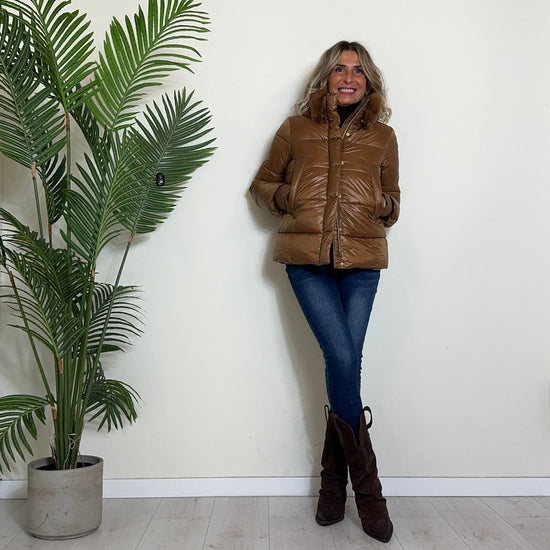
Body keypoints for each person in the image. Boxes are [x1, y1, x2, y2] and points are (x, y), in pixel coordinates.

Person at [249, 40, 399, 544]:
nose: (348, 77)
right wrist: (290, 195)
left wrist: (379, 203)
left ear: (368, 80)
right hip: (307, 263)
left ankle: (333, 484)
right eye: (339, 69)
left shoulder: (383, 137)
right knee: (343, 357)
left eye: (357, 70)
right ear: (325, 78)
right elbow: (261, 185)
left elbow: (395, 200)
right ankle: (370, 493)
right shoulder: (295, 129)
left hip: (362, 264)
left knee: (345, 364)